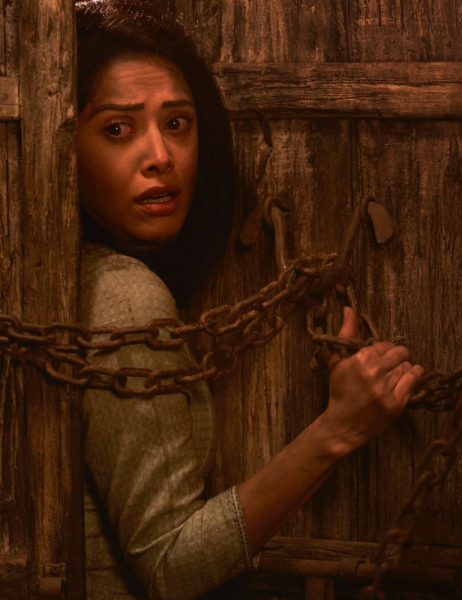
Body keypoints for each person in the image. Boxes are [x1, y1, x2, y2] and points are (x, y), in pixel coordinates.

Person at [74, 1, 425, 598]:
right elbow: (170, 566)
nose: (160, 156)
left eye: (177, 123)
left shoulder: (79, 278)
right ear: (67, 146)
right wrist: (337, 429)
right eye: (117, 129)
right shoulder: (124, 299)